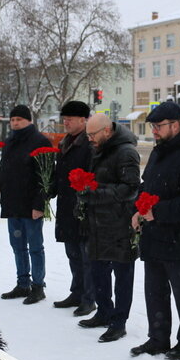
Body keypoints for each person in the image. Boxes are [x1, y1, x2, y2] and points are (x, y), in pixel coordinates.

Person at [130, 101, 180, 360]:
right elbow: (147, 185)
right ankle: (158, 339)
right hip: (155, 234)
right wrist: (139, 208)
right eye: (152, 125)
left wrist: (158, 212)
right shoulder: (159, 152)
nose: (154, 130)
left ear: (175, 125)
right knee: (154, 290)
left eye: (159, 126)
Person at [76, 114, 140, 343]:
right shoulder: (99, 148)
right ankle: (103, 312)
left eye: (92, 134)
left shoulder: (126, 152)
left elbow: (130, 189)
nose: (90, 139)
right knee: (98, 271)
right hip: (97, 222)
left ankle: (118, 322)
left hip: (120, 224)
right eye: (87, 135)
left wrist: (94, 193)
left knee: (122, 275)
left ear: (107, 131)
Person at [0, 105, 52, 305]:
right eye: (13, 120)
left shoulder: (40, 142)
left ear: (29, 120)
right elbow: (4, 168)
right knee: (18, 246)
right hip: (12, 202)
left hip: (31, 205)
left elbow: (46, 178)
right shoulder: (10, 142)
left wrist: (39, 205)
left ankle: (38, 286)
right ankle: (22, 283)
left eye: (19, 120)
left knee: (35, 247)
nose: (15, 123)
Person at [50, 100, 96, 317]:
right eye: (64, 119)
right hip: (67, 206)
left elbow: (93, 175)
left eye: (70, 119)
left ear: (83, 120)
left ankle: (89, 298)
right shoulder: (66, 142)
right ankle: (76, 292)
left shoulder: (90, 143)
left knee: (87, 256)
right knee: (73, 254)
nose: (65, 122)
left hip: (84, 207)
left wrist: (84, 197)